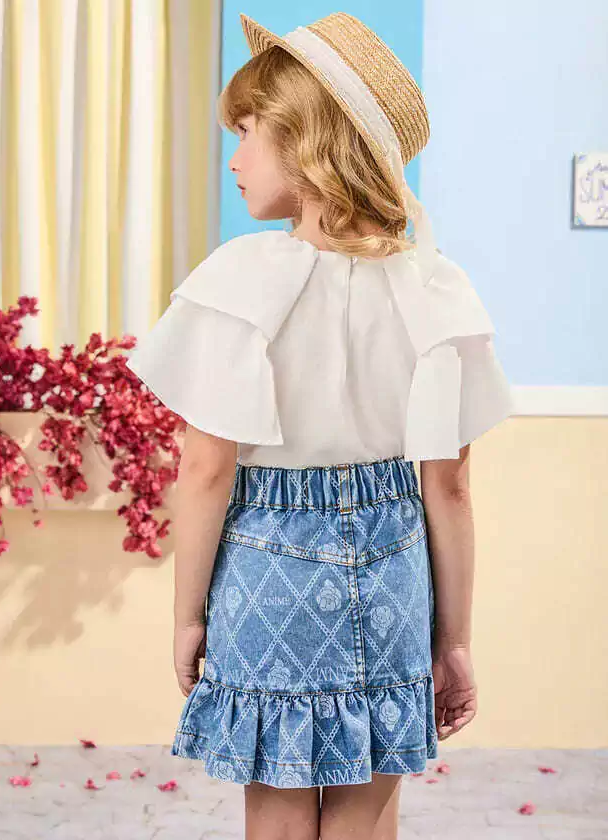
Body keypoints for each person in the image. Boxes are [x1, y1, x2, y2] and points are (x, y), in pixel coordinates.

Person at [125, 11, 515, 840]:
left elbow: (207, 473)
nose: (234, 158)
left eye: (247, 133)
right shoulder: (434, 287)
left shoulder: (238, 281)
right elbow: (448, 488)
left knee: (276, 817)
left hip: (268, 574)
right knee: (367, 817)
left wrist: (188, 617)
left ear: (304, 142)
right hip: (393, 572)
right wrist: (454, 640)